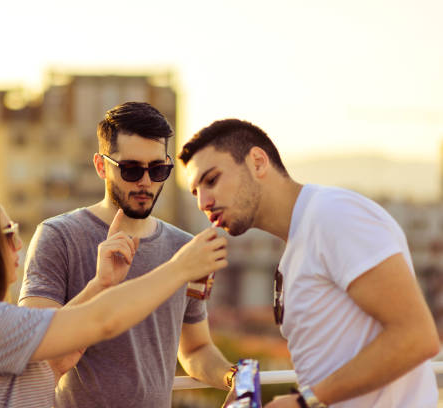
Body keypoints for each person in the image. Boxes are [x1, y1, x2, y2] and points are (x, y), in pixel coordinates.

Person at [0, 181, 228, 408]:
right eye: (7, 232)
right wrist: (181, 267)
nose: (18, 243)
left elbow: (62, 355)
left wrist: (100, 285)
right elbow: (102, 322)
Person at [179, 119, 440, 408]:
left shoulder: (334, 215)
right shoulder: (296, 246)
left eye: (212, 180)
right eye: (195, 192)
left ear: (257, 162)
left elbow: (417, 337)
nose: (203, 201)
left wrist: (306, 401)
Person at [19, 102, 235, 407]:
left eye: (158, 169)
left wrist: (234, 378)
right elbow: (35, 345)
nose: (146, 182)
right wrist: (100, 284)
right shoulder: (59, 236)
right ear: (100, 165)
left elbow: (195, 348)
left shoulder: (185, 250)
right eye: (131, 169)